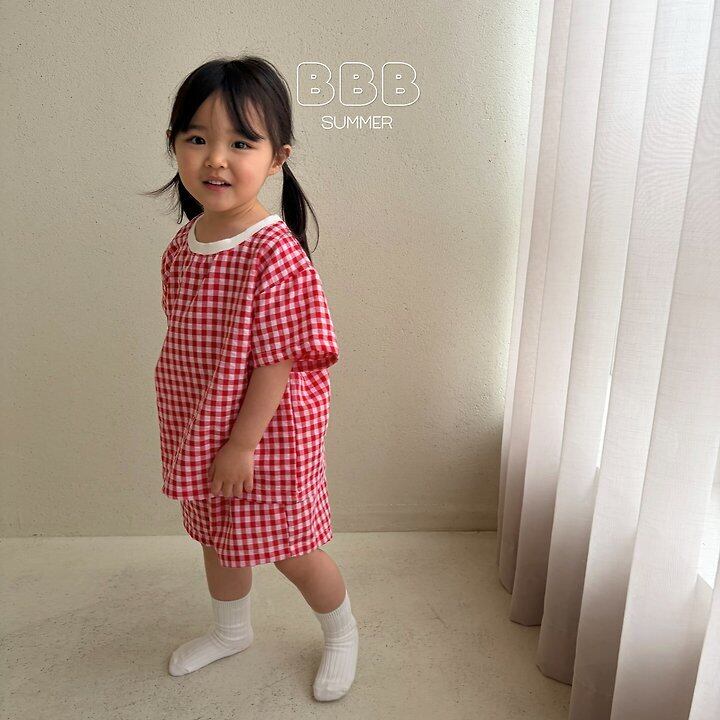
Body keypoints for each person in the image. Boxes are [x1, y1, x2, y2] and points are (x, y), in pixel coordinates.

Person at [145, 55, 358, 702]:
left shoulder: (274, 252)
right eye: (198, 138)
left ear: (276, 158)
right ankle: (231, 630)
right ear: (175, 145)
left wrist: (242, 444)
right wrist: (211, 433)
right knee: (216, 533)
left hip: (267, 434)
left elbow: (277, 360)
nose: (216, 159)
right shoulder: (185, 245)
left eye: (241, 143)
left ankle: (342, 631)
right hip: (204, 420)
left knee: (292, 547)